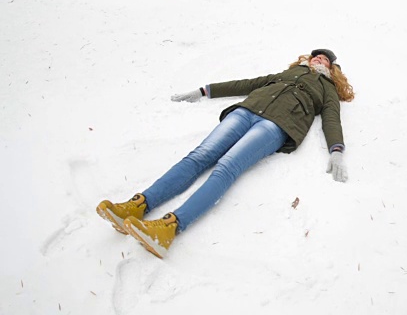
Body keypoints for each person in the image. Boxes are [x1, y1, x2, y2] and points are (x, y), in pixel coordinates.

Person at [96, 49, 355, 258]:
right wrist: (204, 90)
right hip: (246, 112)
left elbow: (332, 118)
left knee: (227, 166)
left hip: (276, 125)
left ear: (332, 70)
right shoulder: (290, 73)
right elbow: (248, 84)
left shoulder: (327, 89)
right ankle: (138, 205)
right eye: (315, 56)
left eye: (325, 59)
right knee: (198, 156)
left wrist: (336, 150)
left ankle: (168, 228)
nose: (319, 59)